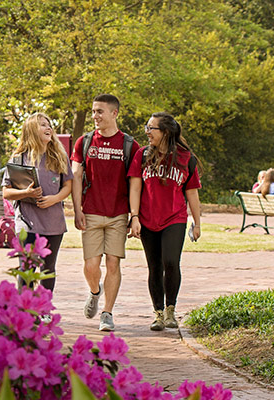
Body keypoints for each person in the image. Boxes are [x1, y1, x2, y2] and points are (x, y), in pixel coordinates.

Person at [71, 94, 140, 332]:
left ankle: (107, 313)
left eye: (100, 111)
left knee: (113, 263)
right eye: (93, 111)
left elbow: (134, 183)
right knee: (91, 265)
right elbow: (76, 176)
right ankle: (94, 291)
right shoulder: (85, 142)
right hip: (90, 212)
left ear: (114, 113)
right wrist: (77, 209)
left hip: (118, 214)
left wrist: (134, 215)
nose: (95, 116)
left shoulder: (130, 145)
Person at [128, 112, 202, 331]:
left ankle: (171, 310)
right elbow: (135, 187)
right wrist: (134, 217)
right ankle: (158, 314)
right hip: (148, 219)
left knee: (171, 262)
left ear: (166, 132)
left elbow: (192, 193)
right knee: (154, 266)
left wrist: (197, 223)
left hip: (174, 218)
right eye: (147, 128)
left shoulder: (186, 158)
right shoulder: (142, 155)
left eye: (152, 128)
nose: (147, 132)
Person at [2, 112, 73, 292]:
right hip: (27, 224)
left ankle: (44, 309)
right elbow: (6, 192)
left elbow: (68, 186)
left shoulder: (59, 157)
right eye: (42, 124)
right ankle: (25, 312)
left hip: (53, 223)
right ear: (32, 130)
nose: (48, 128)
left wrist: (54, 199)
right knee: (26, 270)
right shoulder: (18, 159)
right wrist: (25, 193)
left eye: (49, 124)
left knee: (48, 270)